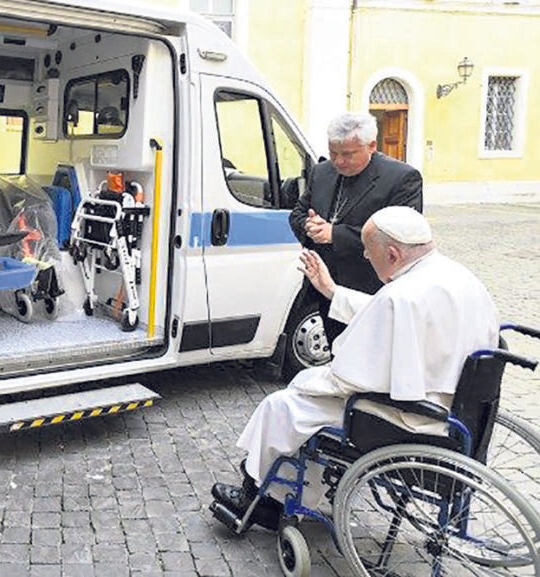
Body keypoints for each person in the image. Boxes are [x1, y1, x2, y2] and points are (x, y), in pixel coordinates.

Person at [212, 206, 498, 529]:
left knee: (283, 406)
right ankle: (288, 492)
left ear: (392, 253)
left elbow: (349, 375)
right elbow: (391, 315)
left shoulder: (401, 295)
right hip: (455, 412)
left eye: (368, 250)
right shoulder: (459, 278)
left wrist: (309, 383)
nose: (364, 255)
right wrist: (331, 291)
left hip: (407, 418)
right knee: (303, 399)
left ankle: (261, 499)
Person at [290, 112, 423, 347]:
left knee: (374, 356)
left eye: (348, 154)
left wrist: (335, 234)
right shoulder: (321, 172)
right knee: (338, 354)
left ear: (371, 146)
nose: (339, 161)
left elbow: (400, 236)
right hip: (326, 287)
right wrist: (309, 226)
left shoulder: (402, 178)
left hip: (371, 288)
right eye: (334, 153)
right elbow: (298, 213)